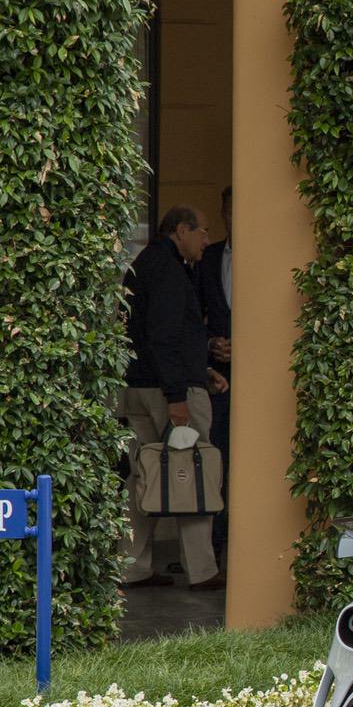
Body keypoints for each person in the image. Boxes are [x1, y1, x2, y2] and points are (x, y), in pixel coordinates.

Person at [122, 204, 228, 590]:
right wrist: (177, 394)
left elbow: (156, 335)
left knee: (143, 476)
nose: (206, 240)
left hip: (138, 387)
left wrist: (201, 368)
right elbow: (164, 336)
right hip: (168, 392)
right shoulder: (168, 269)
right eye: (202, 231)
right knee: (194, 471)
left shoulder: (144, 264)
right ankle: (202, 570)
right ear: (182, 230)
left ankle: (132, 566)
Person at [195, 186, 234, 562]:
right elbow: (193, 315)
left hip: (258, 375)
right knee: (217, 458)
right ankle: (217, 547)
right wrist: (210, 344)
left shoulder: (265, 258)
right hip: (218, 378)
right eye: (229, 212)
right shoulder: (208, 259)